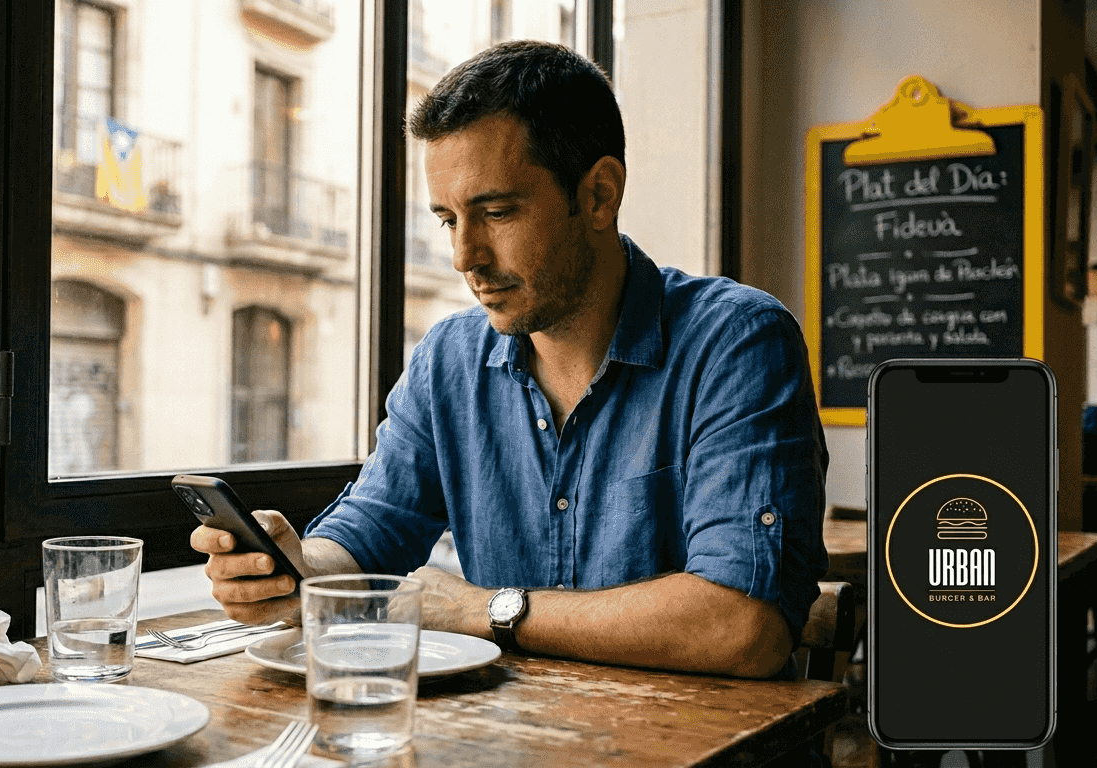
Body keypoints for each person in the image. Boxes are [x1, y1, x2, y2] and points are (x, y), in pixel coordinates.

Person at [193, 40, 828, 682]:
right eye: (448, 220)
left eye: (496, 213)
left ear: (599, 194)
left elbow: (744, 627)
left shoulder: (737, 342)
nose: (464, 257)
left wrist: (483, 609)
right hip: (509, 729)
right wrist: (295, 571)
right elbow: (370, 529)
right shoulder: (449, 359)